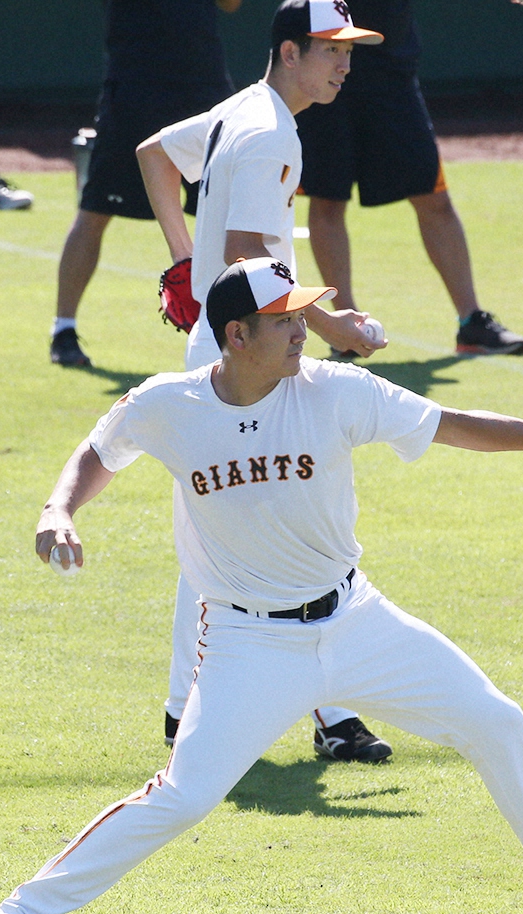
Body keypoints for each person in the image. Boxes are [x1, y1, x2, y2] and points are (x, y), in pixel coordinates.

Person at [0, 257, 523, 914]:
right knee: (184, 796)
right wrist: (57, 509)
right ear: (235, 336)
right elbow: (101, 449)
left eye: (301, 315)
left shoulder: (335, 392)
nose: (301, 331)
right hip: (245, 643)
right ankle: (22, 912)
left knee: (495, 722)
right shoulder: (171, 404)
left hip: (357, 623)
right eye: (284, 320)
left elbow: (455, 423)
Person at [136, 0, 392, 761]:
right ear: (288, 51)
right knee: (300, 525)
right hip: (249, 353)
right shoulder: (267, 130)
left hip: (231, 346)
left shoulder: (242, 111)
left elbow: (153, 152)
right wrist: (335, 322)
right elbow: (251, 261)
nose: (344, 63)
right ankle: (325, 715)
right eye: (329, 50)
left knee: (233, 532)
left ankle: (196, 713)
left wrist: (187, 259)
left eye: (350, 50)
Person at [296, 0, 523, 358]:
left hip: (391, 63)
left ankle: (471, 322)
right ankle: (345, 328)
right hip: (323, 57)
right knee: (327, 199)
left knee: (433, 197)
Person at [49, 0, 242, 368]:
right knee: (95, 210)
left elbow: (230, 4)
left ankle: (236, 329)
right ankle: (63, 329)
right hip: (135, 86)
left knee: (227, 212)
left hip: (203, 83)